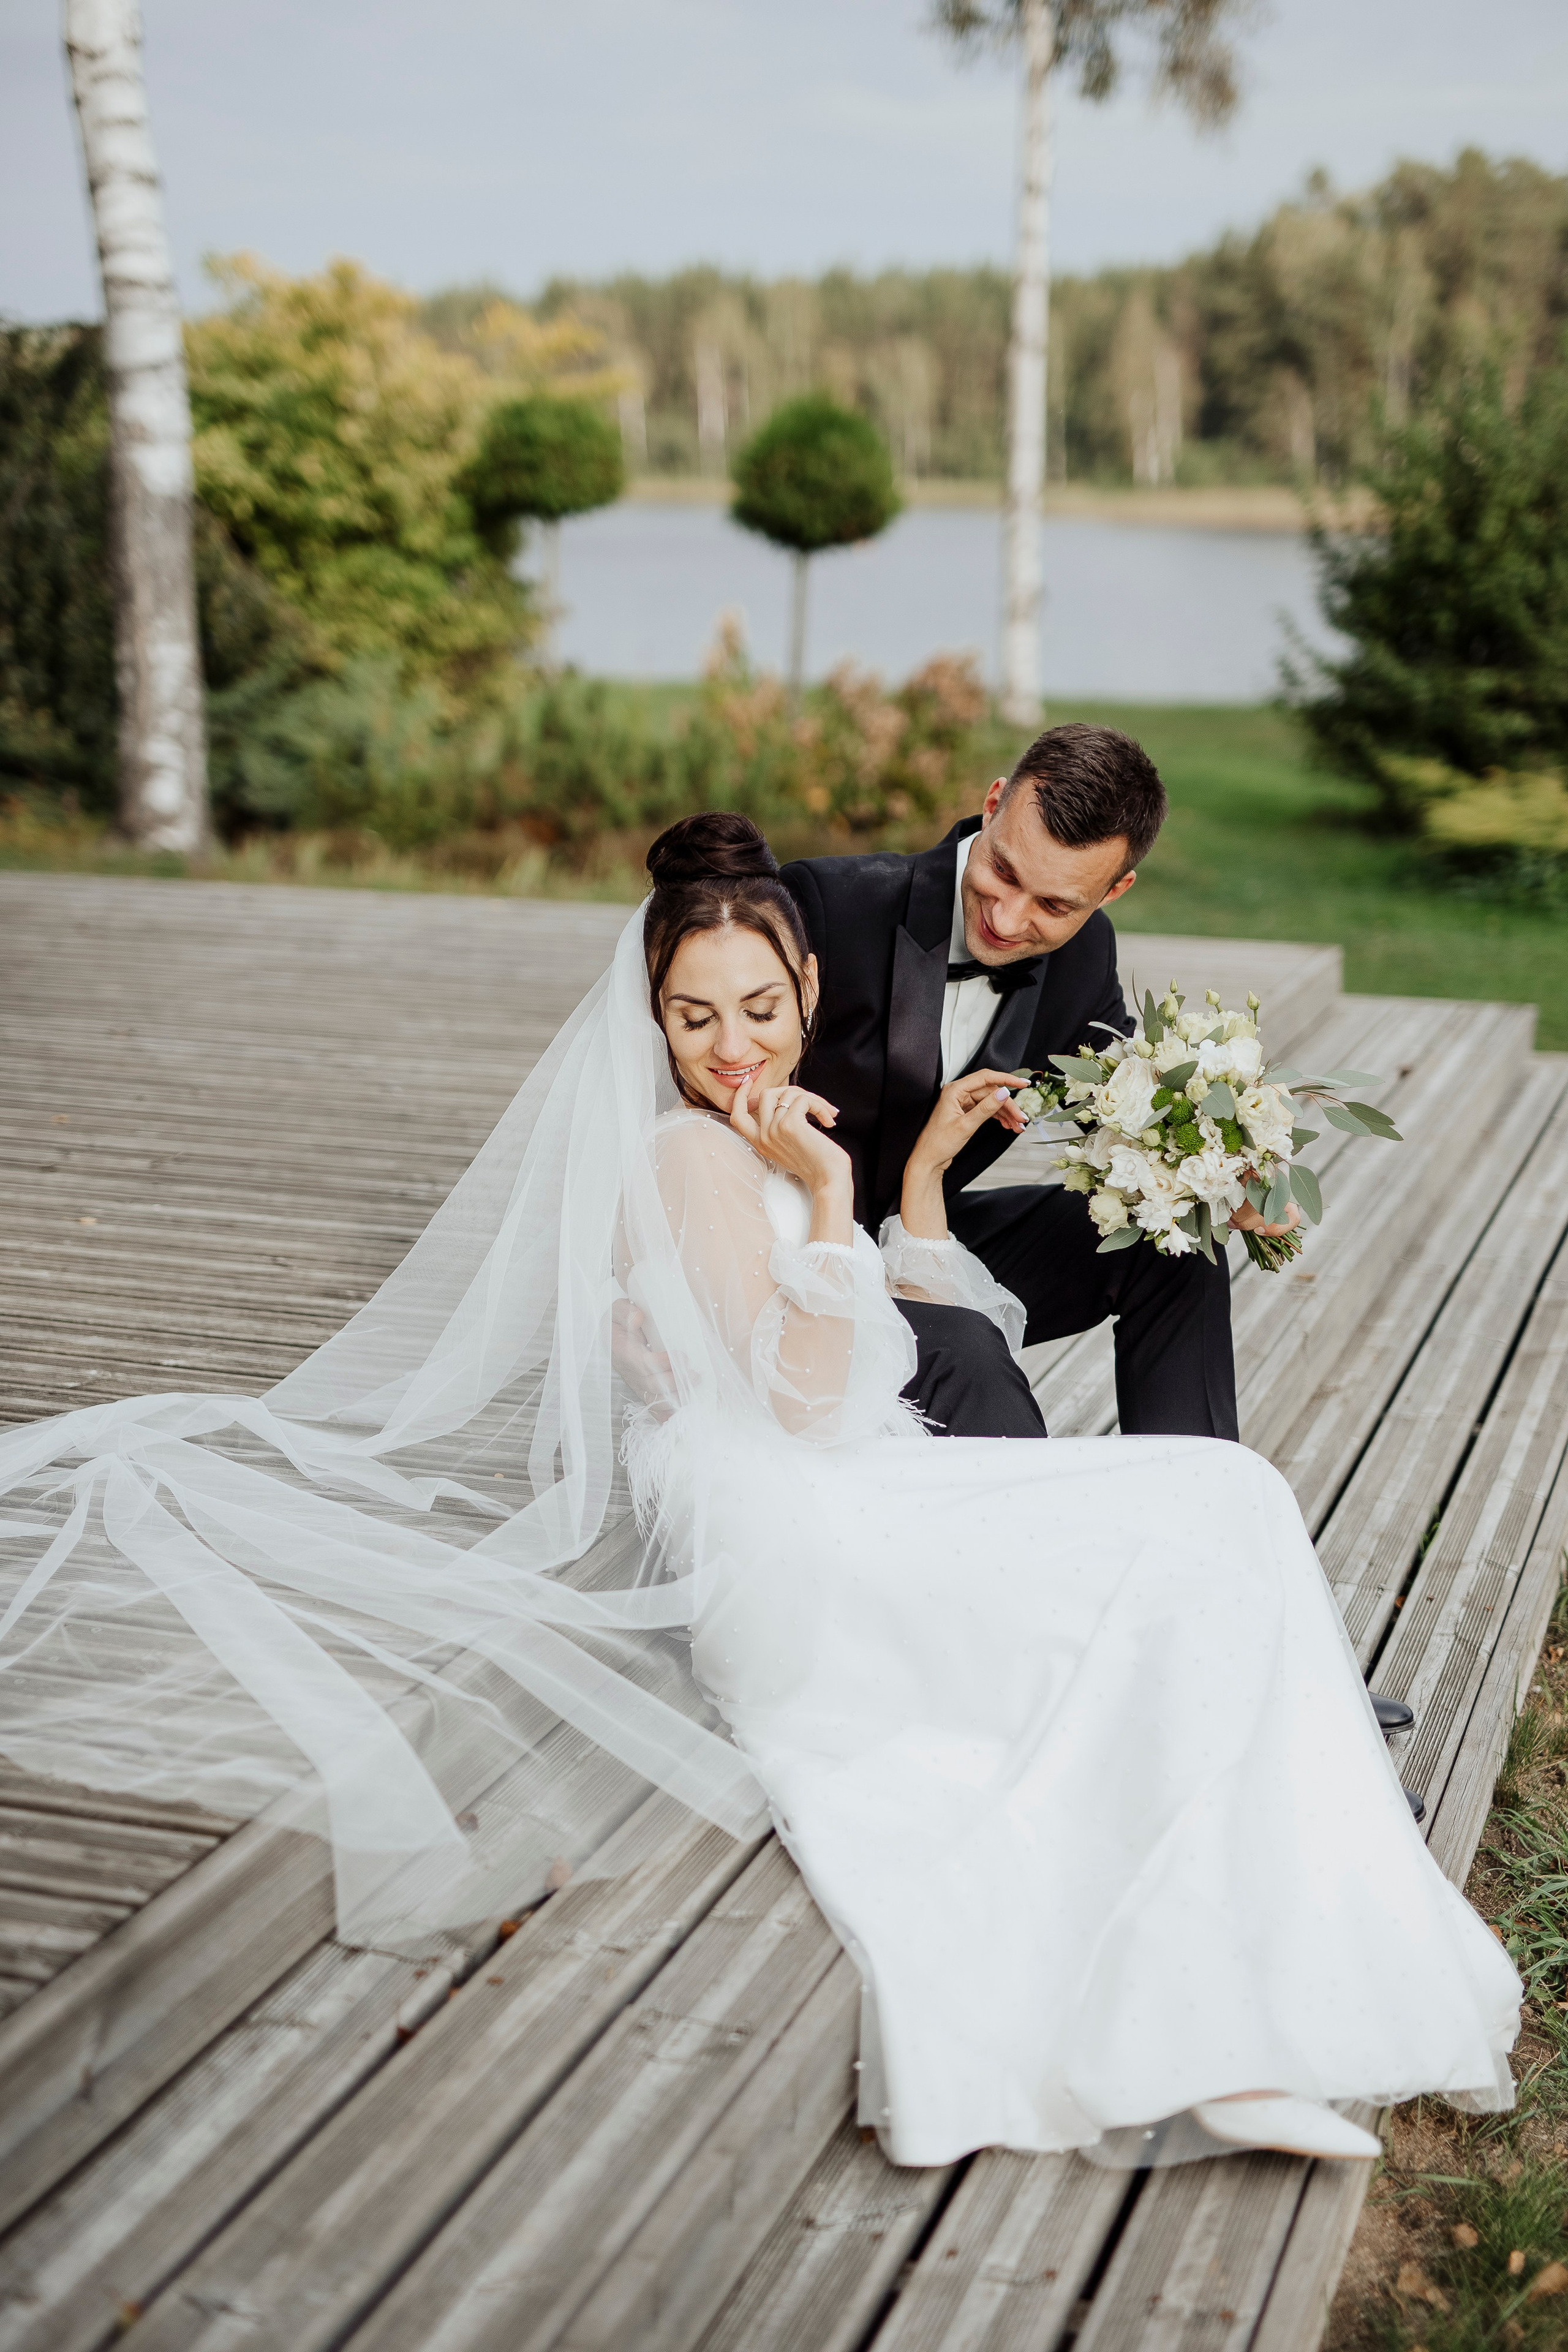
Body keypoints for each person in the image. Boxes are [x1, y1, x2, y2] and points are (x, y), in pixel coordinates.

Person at [0, 813, 1518, 2176]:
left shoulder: (775, 1132)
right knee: (1208, 1524)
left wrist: (906, 1176)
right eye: (692, 1016)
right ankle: (1207, 2034)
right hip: (805, 1550)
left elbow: (903, 1324)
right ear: (651, 1023)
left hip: (864, 1496)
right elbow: (800, 1400)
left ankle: (1242, 2015)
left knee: (1221, 1508)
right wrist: (809, 1200)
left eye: (758, 1008)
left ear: (808, 997)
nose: (733, 1045)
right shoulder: (689, 1159)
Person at [780, 723, 1295, 1444]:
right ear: (993, 804)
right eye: (1004, 873)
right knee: (968, 1350)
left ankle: (1191, 1505)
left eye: (1054, 906)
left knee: (1174, 1246)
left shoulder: (1086, 955)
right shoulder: (830, 904)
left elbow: (1117, 1110)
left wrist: (1232, 1174)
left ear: (1115, 889)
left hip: (921, 1234)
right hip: (784, 1263)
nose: (1007, 918)